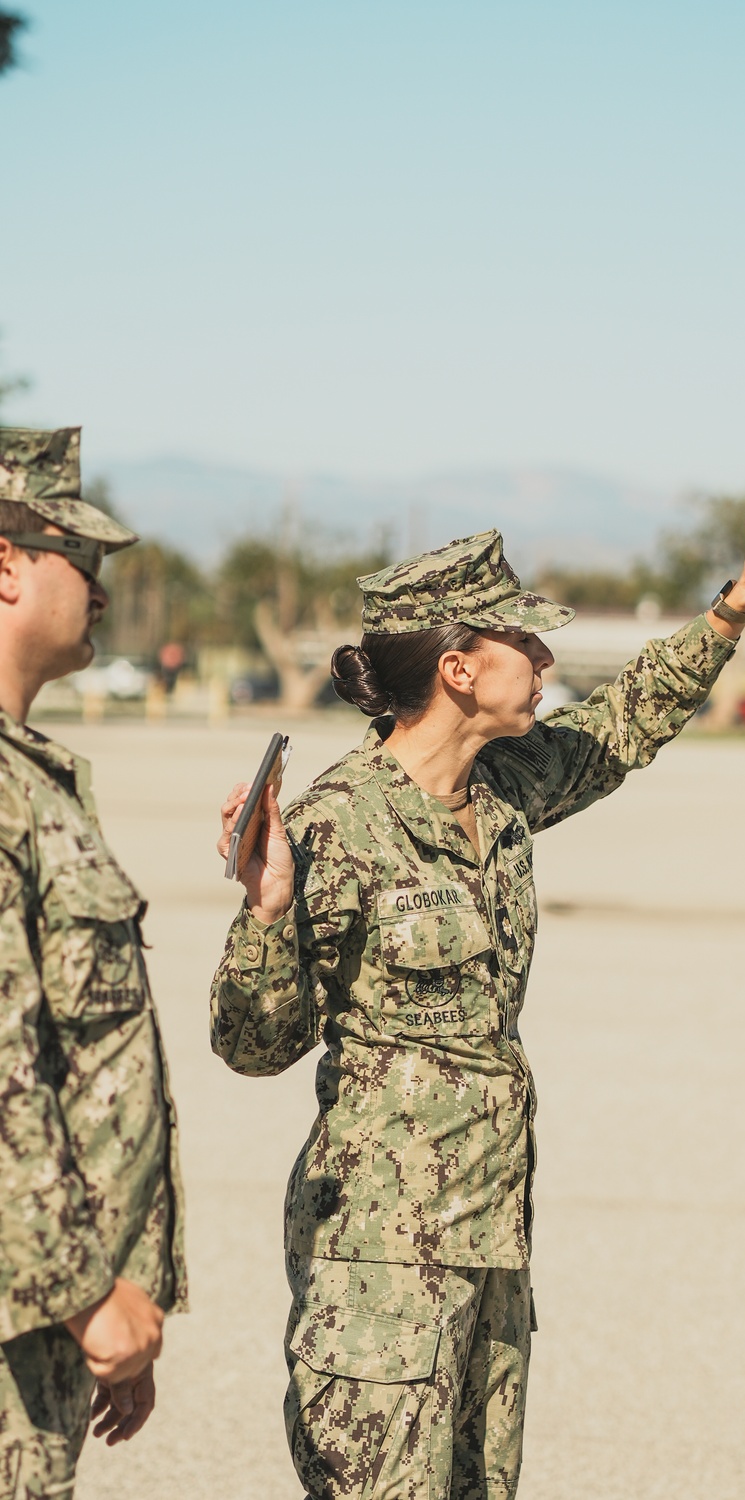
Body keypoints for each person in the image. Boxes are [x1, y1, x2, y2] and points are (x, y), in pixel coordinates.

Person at [212, 509, 745, 1500]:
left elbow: (623, 724)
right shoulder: (339, 820)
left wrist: (741, 598)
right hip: (382, 1264)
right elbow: (249, 1043)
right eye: (522, 639)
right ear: (458, 667)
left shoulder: (500, 791)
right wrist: (269, 911)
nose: (544, 656)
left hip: (489, 1245)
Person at [0, 427, 186, 1498]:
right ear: (9, 565)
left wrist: (112, 1292)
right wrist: (85, 1293)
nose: (104, 596)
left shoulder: (36, 777)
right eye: (88, 562)